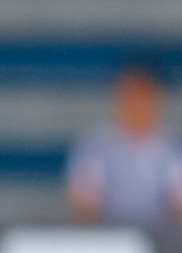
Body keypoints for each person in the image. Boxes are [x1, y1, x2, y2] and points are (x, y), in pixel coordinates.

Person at [67, 61, 182, 229]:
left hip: (167, 240)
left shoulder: (174, 146)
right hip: (111, 239)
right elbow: (84, 201)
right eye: (129, 95)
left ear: (159, 97)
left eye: (143, 95)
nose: (136, 104)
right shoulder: (95, 145)